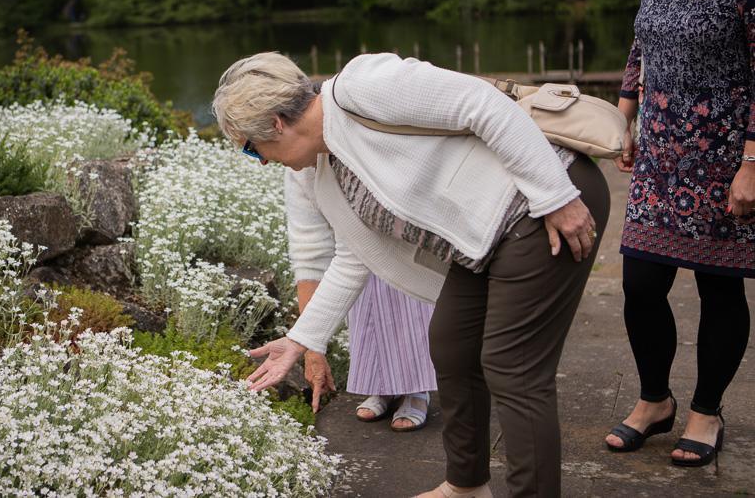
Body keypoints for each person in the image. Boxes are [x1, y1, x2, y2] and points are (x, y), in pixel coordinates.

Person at [213, 50, 609, 498]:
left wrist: (556, 196)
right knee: (452, 347)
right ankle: (467, 487)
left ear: (276, 124)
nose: (260, 161)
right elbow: (351, 257)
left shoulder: (364, 86)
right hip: (482, 242)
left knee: (512, 369)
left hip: (546, 204)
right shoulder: (319, 171)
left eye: (251, 148)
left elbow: (483, 104)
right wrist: (303, 338)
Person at [602, 0, 755, 467]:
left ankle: (706, 411)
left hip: (725, 156)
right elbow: (642, 42)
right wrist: (625, 113)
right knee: (640, 282)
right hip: (662, 153)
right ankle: (654, 400)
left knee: (720, 289)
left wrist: (752, 163)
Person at [291, 180, 437, 430]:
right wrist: (311, 346)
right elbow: (309, 250)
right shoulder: (302, 174)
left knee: (408, 307)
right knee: (368, 308)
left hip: (399, 220)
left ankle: (416, 389)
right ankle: (381, 387)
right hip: (355, 242)